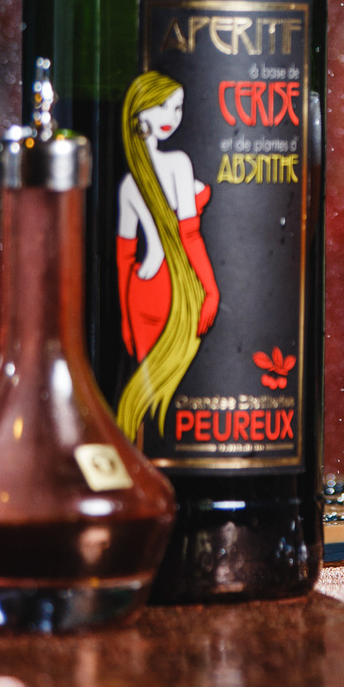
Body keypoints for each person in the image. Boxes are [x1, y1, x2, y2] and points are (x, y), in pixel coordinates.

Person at [115, 70, 219, 442]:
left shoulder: (129, 183)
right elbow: (189, 234)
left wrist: (126, 317)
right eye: (162, 106)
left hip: (140, 290)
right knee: (168, 383)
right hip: (174, 286)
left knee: (150, 386)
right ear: (139, 111)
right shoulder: (178, 164)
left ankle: (141, 456)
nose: (171, 117)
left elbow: (125, 255)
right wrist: (211, 290)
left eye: (177, 108)